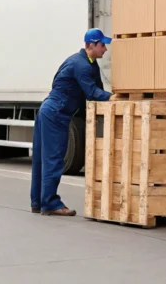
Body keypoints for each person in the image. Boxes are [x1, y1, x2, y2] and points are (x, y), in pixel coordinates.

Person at [30, 28, 112, 216]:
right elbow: (92, 93)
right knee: (53, 159)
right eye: (102, 45)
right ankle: (50, 203)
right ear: (91, 45)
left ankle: (38, 202)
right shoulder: (81, 65)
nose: (105, 49)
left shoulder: (88, 63)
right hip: (55, 113)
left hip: (48, 110)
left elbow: (96, 89)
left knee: (42, 158)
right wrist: (114, 98)